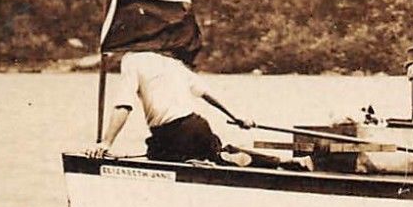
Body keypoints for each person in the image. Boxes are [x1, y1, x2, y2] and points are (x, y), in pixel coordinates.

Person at [88, 50, 302, 168]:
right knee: (219, 153)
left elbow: (124, 104)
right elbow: (208, 94)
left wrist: (106, 142)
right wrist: (237, 117)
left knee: (157, 157)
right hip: (196, 124)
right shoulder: (173, 64)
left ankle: (204, 161)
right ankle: (282, 162)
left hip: (171, 132)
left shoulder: (131, 60)